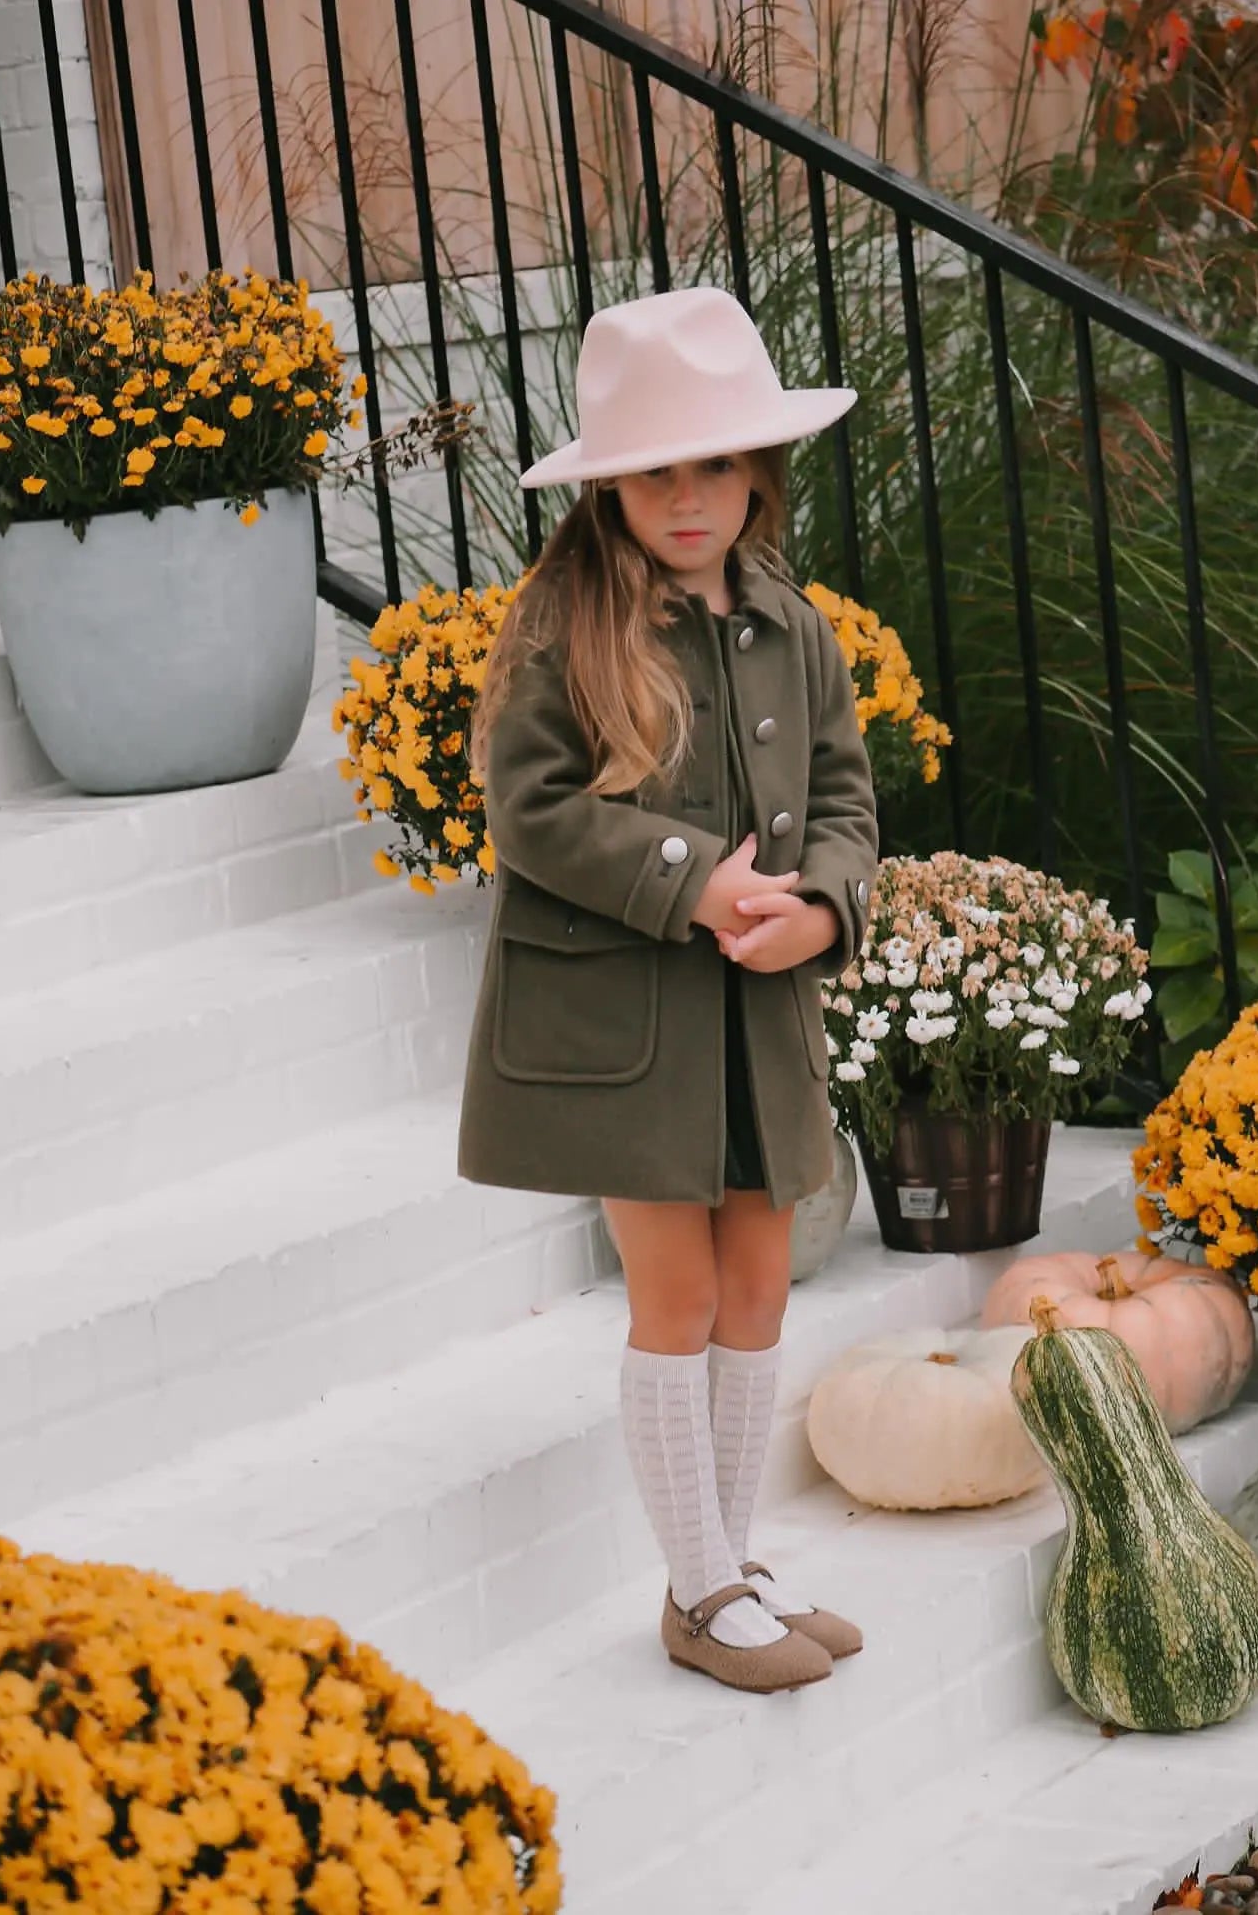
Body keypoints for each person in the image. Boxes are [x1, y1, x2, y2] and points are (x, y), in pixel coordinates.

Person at [459, 285, 879, 1694]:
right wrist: (692, 879)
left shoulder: (789, 624)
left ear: (759, 468)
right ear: (611, 486)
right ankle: (698, 1593)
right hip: (622, 1029)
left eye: (715, 462)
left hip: (761, 1014)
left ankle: (730, 1566)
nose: (688, 496)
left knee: (761, 1280)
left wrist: (822, 906)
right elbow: (532, 811)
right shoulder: (563, 625)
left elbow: (842, 800)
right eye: (655, 470)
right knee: (681, 1292)